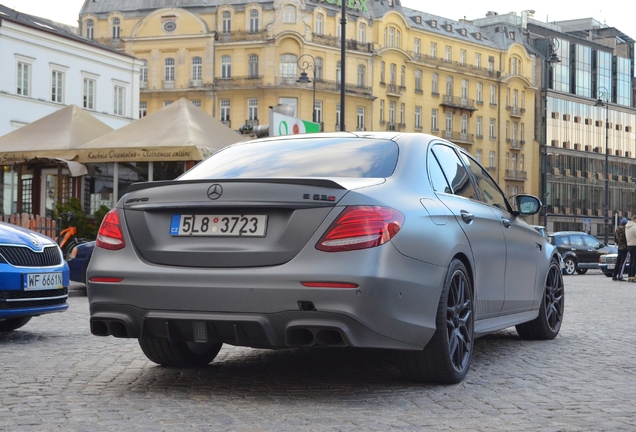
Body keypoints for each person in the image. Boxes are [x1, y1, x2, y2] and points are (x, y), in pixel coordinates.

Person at [625, 216, 636, 282]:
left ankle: (630, 276)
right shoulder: (634, 227)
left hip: (629, 245)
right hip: (635, 244)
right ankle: (633, 276)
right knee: (634, 261)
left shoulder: (627, 227)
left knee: (631, 261)